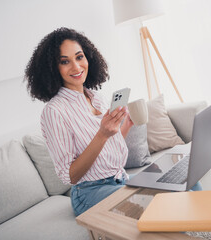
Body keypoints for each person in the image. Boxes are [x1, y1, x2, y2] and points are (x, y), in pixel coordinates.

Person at [25, 27, 134, 216]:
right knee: (155, 205)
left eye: (79, 57)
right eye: (64, 61)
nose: (76, 67)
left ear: (88, 57)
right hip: (89, 192)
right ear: (52, 68)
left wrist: (124, 127)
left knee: (178, 186)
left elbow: (107, 148)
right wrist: (102, 134)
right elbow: (70, 175)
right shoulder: (54, 111)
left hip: (120, 179)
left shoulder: (95, 97)